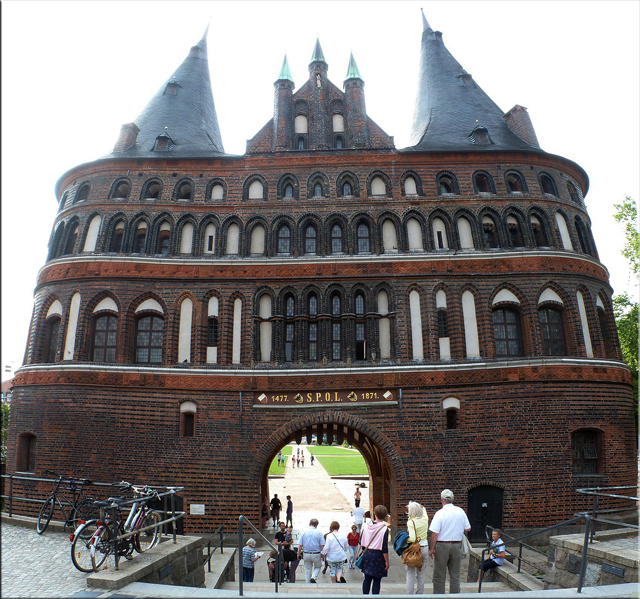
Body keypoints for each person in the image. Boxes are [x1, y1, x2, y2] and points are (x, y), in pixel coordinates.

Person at [429, 489, 471, 595]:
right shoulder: (460, 511)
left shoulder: (440, 513)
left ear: (441, 500)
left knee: (439, 575)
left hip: (442, 545)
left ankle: (439, 596)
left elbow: (435, 534)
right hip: (457, 545)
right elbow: (468, 528)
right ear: (452, 499)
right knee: (455, 575)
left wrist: (432, 548)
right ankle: (455, 595)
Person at [358, 504, 390, 595]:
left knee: (367, 579)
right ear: (385, 516)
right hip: (378, 556)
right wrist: (387, 561)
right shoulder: (384, 529)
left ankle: (365, 596)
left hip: (367, 553)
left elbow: (361, 541)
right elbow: (384, 548)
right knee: (377, 580)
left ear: (375, 514)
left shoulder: (366, 526)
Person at [404, 501, 430, 594]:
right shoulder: (425, 519)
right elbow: (424, 510)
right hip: (424, 547)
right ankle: (420, 594)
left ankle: (409, 595)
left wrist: (405, 541)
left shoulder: (411, 522)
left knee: (410, 574)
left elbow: (412, 538)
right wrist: (420, 506)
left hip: (414, 550)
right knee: (421, 574)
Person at [297, 518, 325, 583]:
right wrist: (323, 554)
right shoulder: (319, 533)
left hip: (306, 553)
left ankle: (308, 583)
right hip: (316, 553)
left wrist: (298, 553)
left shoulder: (304, 532)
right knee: (318, 566)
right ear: (316, 525)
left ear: (309, 524)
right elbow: (322, 545)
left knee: (307, 570)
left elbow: (300, 545)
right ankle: (314, 576)